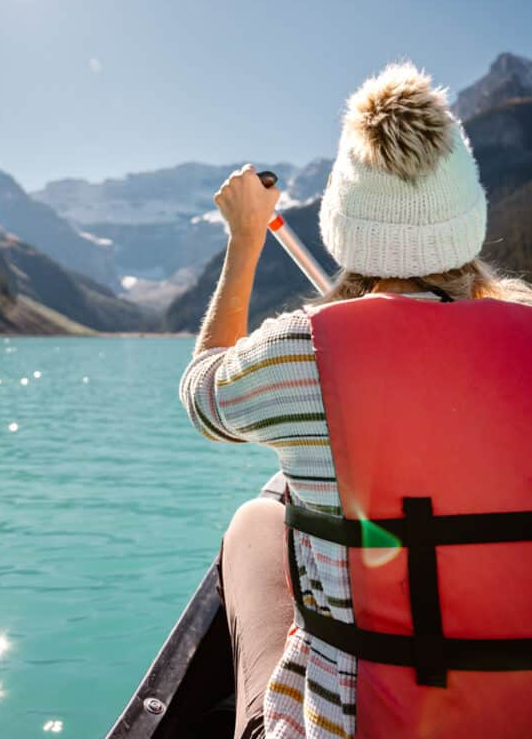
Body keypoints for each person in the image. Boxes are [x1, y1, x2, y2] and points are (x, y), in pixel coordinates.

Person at [179, 62, 532, 739]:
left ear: (344, 226)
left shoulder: (299, 352)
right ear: (468, 219)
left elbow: (201, 393)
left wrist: (245, 241)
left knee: (260, 515)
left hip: (357, 726)